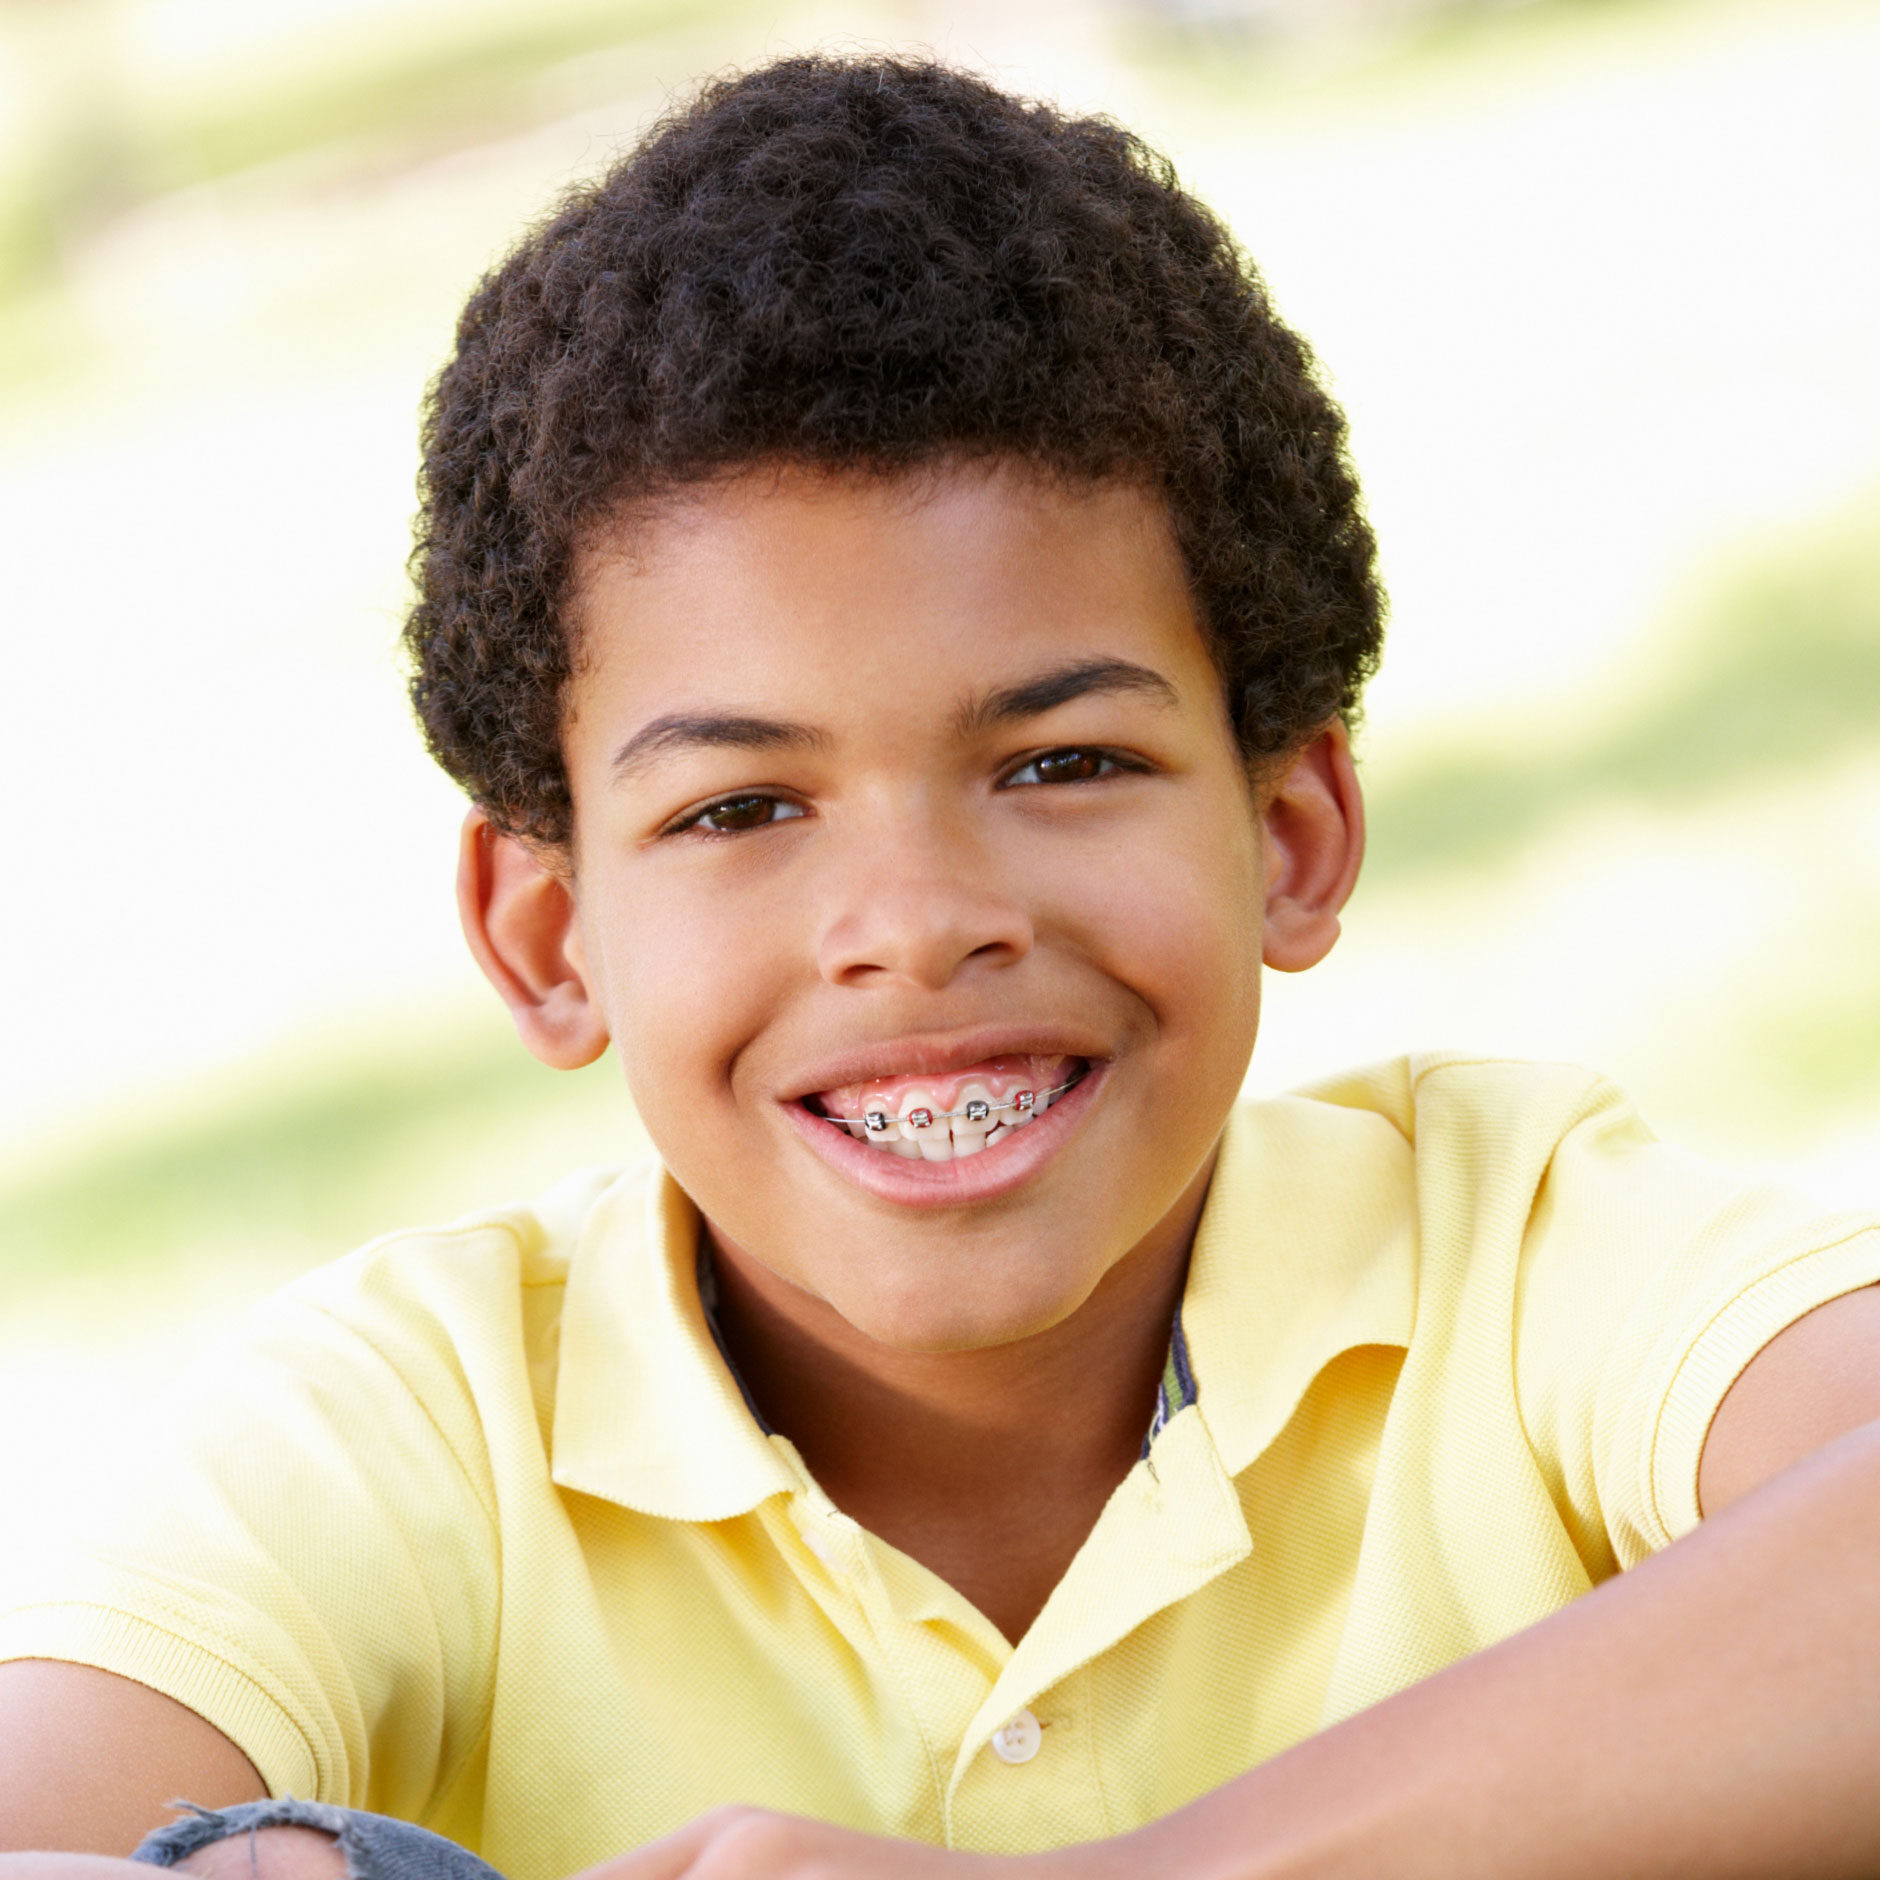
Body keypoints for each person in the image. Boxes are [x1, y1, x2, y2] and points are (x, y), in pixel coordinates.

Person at [5, 53, 1880, 1880]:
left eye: (1063, 765)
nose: (914, 921)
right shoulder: (400, 1438)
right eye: (743, 808)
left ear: (1290, 833)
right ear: (548, 933)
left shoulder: (1528, 1257)